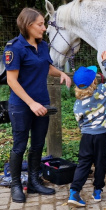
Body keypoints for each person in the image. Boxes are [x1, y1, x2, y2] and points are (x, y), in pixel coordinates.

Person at [2, 8, 71, 203]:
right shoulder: (14, 48)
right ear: (28, 25)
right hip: (22, 106)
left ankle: (33, 181)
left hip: (42, 103)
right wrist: (31, 103)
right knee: (19, 146)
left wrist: (62, 74)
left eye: (44, 24)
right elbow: (12, 81)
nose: (44, 27)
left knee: (38, 144)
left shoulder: (42, 46)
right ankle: (16, 185)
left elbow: (47, 66)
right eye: (40, 24)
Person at [67, 51, 106, 207]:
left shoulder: (77, 104)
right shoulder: (103, 92)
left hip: (86, 137)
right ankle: (97, 191)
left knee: (83, 163)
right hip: (101, 136)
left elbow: (79, 121)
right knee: (100, 163)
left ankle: (74, 192)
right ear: (93, 83)